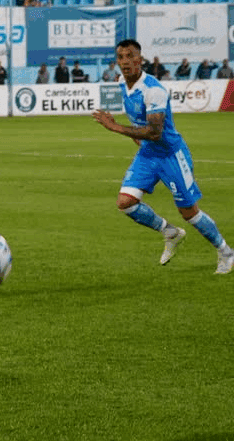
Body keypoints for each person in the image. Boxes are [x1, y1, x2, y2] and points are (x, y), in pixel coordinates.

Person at [92, 39, 234, 274]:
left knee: (189, 212)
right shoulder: (121, 84)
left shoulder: (154, 90)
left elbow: (155, 132)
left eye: (130, 56)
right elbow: (141, 124)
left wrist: (115, 127)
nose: (125, 62)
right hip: (148, 154)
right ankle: (169, 232)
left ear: (140, 60)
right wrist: (134, 138)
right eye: (121, 57)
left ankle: (226, 252)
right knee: (125, 203)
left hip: (170, 155)